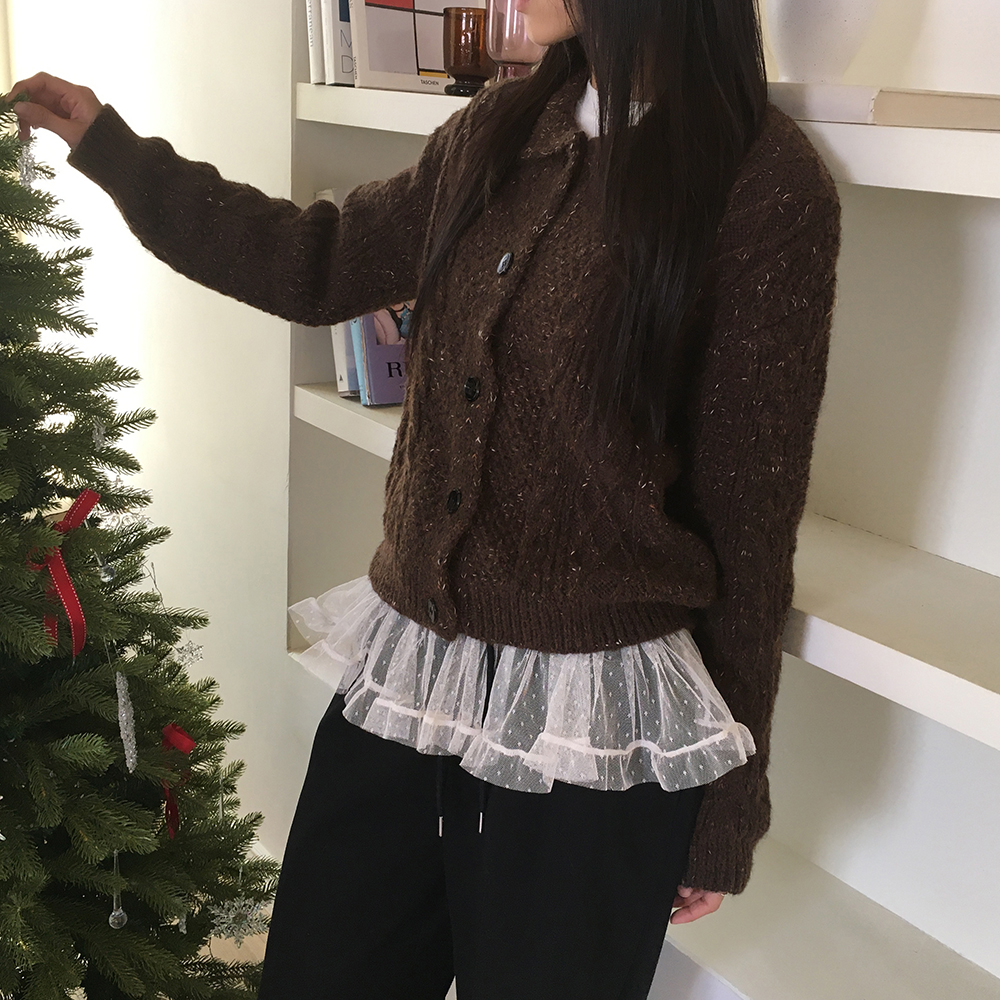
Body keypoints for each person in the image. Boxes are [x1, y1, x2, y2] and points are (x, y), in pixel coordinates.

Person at [6, 0, 841, 996]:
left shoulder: (762, 183)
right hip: (414, 674)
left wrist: (726, 803)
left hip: (594, 727)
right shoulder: (499, 129)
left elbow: (750, 519)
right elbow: (314, 263)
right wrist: (113, 149)